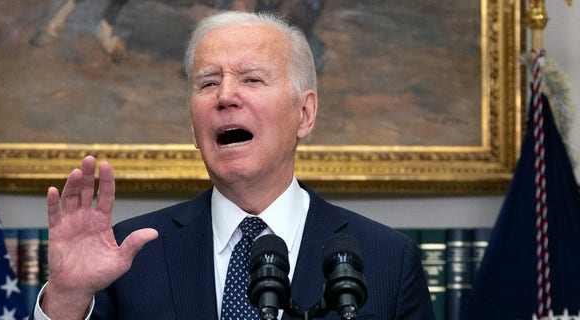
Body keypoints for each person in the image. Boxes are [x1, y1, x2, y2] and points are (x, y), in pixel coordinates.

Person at [32, 10, 435, 320]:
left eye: (252, 79)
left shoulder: (389, 260)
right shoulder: (130, 255)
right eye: (208, 83)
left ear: (305, 114)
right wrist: (68, 298)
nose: (225, 96)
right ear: (194, 125)